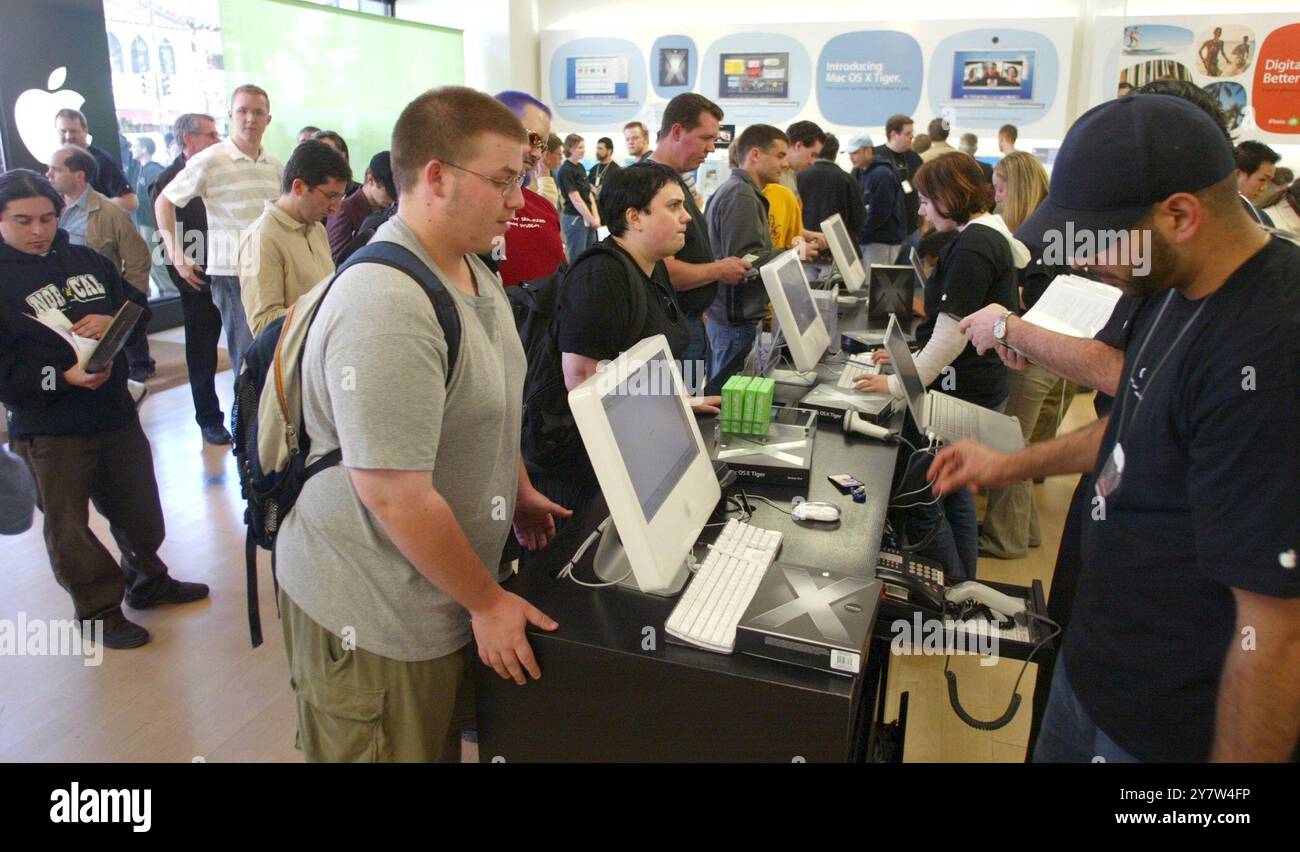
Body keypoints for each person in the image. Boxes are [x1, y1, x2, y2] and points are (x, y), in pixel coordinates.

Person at [932, 95, 1300, 763]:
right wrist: (1004, 465)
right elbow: (1137, 429)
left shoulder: (1272, 344)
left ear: (1180, 215)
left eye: (1098, 239)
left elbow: (1277, 635)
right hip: (1095, 670)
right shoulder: (1169, 293)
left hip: (1172, 722)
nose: (1086, 259)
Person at [274, 86, 571, 763]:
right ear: (435, 176)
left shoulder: (469, 269)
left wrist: (514, 485)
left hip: (437, 591)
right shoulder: (386, 303)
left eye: (521, 180)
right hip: (377, 611)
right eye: (501, 181)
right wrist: (489, 603)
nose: (518, 200)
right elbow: (392, 494)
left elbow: (486, 404)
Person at [0, 170, 209, 649]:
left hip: (114, 413)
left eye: (48, 218)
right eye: (23, 221)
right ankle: (98, 612)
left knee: (140, 511)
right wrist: (61, 377)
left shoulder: (86, 260)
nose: (38, 230)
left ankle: (148, 580)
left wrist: (115, 320)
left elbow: (137, 312)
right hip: (49, 428)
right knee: (70, 530)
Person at [853, 152, 1027, 579]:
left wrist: (896, 385)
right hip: (975, 385)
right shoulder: (984, 235)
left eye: (928, 199)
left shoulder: (973, 245)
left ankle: (952, 590)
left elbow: (951, 337)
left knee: (931, 496)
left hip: (965, 389)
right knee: (955, 496)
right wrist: (907, 363)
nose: (922, 209)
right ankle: (963, 582)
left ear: (952, 195)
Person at [543, 161, 722, 515]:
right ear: (634, 217)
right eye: (673, 207)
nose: (686, 217)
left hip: (639, 450)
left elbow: (648, 359)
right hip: (587, 471)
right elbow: (581, 380)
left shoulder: (652, 267)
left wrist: (678, 402)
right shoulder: (601, 275)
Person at [156, 84, 283, 374]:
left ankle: (271, 419)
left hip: (270, 270)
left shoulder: (275, 166)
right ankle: (247, 420)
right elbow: (164, 201)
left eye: (258, 112)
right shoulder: (211, 159)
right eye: (243, 111)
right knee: (248, 359)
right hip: (232, 272)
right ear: (231, 115)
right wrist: (178, 255)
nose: (250, 119)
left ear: (268, 119)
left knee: (274, 352)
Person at [977, 150, 1060, 560]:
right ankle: (1022, 533)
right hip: (1049, 356)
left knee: (1008, 443)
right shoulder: (1051, 227)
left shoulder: (1029, 237)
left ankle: (1003, 540)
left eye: (999, 189)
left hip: (1034, 354)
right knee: (1018, 441)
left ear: (1015, 187)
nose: (996, 198)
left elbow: (1035, 301)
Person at [649, 93, 749, 390]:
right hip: (671, 329)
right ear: (677, 131)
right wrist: (718, 270)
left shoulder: (675, 180)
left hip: (688, 322)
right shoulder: (651, 184)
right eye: (705, 138)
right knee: (682, 420)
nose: (711, 148)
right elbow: (662, 270)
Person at [149, 113, 230, 445]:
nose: (216, 140)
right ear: (187, 139)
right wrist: (183, 273)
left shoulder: (221, 170)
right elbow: (165, 237)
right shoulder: (168, 180)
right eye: (210, 135)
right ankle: (209, 418)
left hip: (233, 270)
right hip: (198, 279)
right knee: (202, 352)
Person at [45, 145, 156, 383]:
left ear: (79, 175)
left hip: (96, 311)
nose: (48, 174)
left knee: (102, 375)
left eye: (56, 169)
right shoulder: (49, 211)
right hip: (56, 312)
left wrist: (125, 307)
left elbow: (138, 260)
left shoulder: (109, 212)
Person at [705, 124, 788, 386]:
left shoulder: (741, 191)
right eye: (779, 155)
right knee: (725, 400)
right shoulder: (742, 195)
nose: (783, 164)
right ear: (755, 154)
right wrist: (791, 254)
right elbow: (745, 262)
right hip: (735, 320)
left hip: (730, 317)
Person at [239, 140, 349, 336]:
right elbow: (263, 325)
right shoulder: (260, 239)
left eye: (339, 198)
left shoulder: (317, 229)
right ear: (298, 187)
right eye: (331, 196)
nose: (335, 208)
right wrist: (326, 308)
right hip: (290, 361)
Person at [492, 90, 565, 288]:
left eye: (543, 145)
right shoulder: (462, 208)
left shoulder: (543, 208)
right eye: (533, 139)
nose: (538, 153)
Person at [54, 108, 137, 212]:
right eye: (63, 131)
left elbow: (131, 201)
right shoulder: (55, 163)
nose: (68, 136)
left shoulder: (101, 161)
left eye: (73, 131)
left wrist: (91, 210)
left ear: (85, 131)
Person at [325, 151, 395, 263]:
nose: (393, 199)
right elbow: (336, 259)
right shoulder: (345, 210)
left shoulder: (387, 207)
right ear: (370, 180)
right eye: (388, 192)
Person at [796, 133, 866, 241]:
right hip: (839, 246)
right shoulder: (848, 180)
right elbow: (859, 220)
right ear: (835, 153)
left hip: (805, 245)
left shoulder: (798, 177)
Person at [874, 115, 924, 264]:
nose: (912, 138)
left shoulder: (915, 159)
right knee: (881, 280)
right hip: (882, 234)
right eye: (908, 134)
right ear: (893, 134)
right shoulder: (875, 157)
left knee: (913, 280)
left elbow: (924, 194)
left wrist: (924, 225)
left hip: (911, 230)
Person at [852, 134, 907, 268]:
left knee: (874, 285)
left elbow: (879, 213)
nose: (851, 157)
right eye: (850, 153)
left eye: (855, 153)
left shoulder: (882, 175)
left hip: (883, 240)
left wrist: (858, 234)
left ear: (868, 151)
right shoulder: (859, 172)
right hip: (869, 239)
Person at [556, 134, 600, 262]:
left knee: (590, 255)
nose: (583, 150)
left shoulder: (580, 167)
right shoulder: (566, 170)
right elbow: (575, 198)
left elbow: (588, 194)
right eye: (580, 147)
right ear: (570, 149)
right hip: (575, 218)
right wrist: (591, 219)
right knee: (578, 258)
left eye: (583, 147)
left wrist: (595, 217)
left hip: (587, 217)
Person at [1234, 140, 1279, 226]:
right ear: (1237, 173)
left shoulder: (1262, 220)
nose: (1264, 188)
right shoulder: (1207, 212)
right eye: (1262, 180)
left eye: (1269, 181)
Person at [310, 130, 362, 197]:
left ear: (343, 156)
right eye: (317, 152)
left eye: (328, 151)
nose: (322, 157)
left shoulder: (356, 193)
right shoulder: (304, 188)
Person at [535, 134, 564, 211]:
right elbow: (545, 209)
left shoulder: (550, 172)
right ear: (547, 154)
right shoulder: (531, 178)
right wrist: (544, 176)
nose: (561, 158)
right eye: (559, 154)